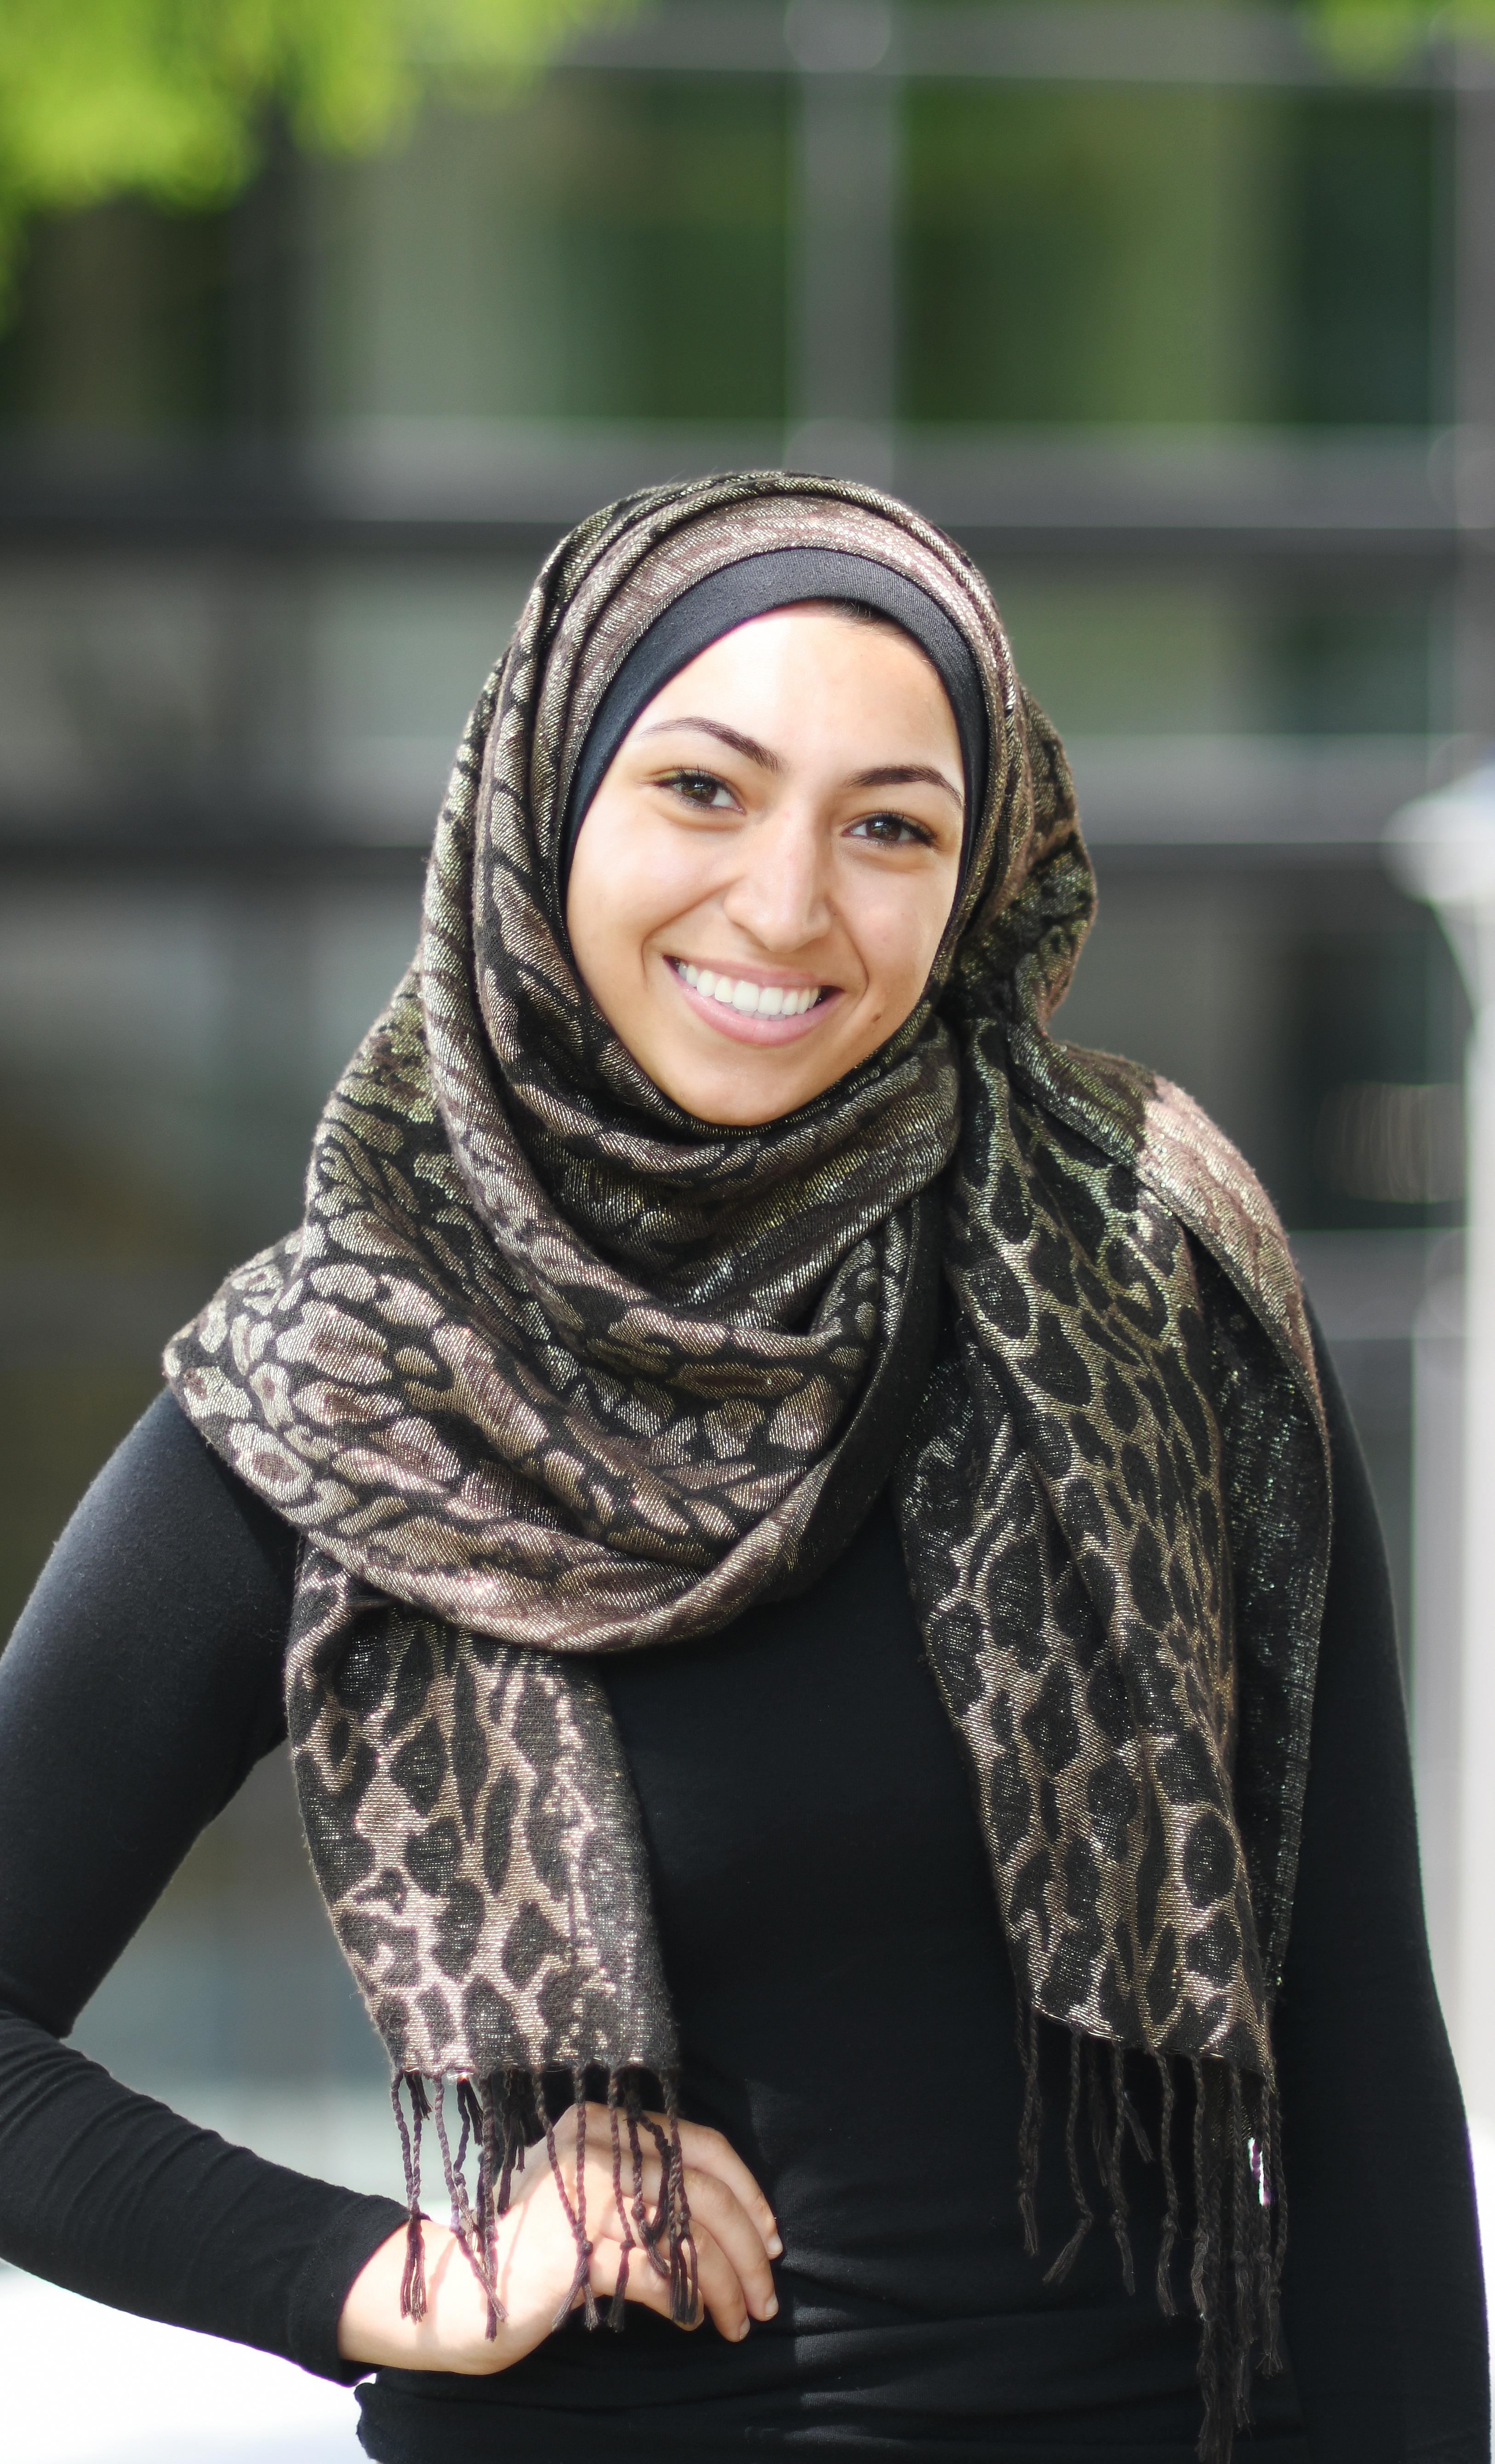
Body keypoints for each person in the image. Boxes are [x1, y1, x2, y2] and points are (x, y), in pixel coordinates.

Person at [0, 473, 1485, 2464]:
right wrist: (382, 2274)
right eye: (704, 789)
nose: (788, 907)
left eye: (891, 826)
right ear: (547, 803)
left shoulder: (1146, 1264)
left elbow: (1362, 2062)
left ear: (984, 874)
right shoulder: (343, 1376)